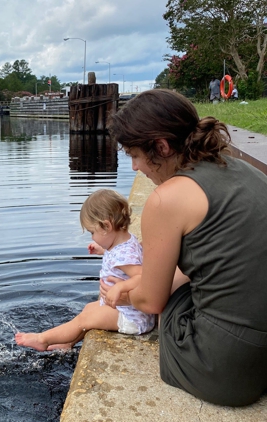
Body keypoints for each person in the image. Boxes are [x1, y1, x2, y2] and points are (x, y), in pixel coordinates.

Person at [105, 89, 267, 407]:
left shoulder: (168, 198)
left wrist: (124, 293)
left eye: (135, 155)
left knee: (164, 298)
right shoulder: (242, 169)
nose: (136, 167)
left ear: (162, 146)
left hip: (225, 370)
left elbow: (152, 301)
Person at [14, 189, 155, 352]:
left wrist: (119, 288)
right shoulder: (125, 242)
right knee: (89, 308)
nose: (92, 237)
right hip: (128, 310)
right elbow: (121, 255)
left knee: (84, 319)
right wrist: (103, 250)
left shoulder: (122, 255)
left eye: (92, 232)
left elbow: (143, 276)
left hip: (132, 318)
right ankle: (69, 342)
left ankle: (42, 339)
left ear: (106, 226)